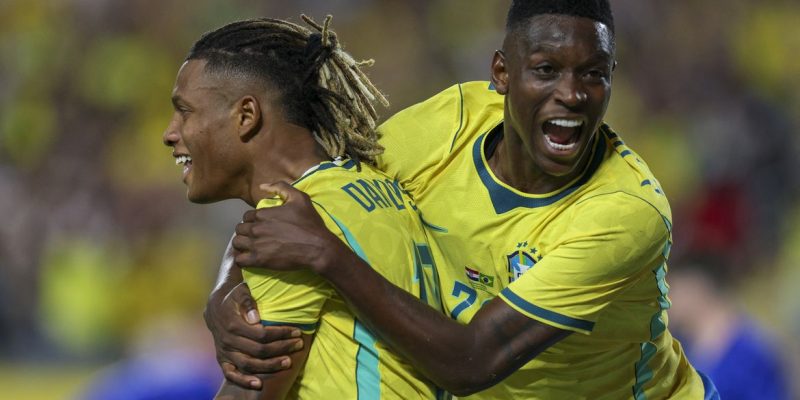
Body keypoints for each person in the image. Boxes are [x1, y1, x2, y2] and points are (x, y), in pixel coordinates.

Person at [209, 1, 720, 398]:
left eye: (594, 73)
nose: (572, 93)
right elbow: (308, 192)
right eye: (545, 70)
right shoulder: (446, 126)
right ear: (501, 73)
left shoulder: (625, 212)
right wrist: (225, 291)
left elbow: (471, 362)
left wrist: (329, 256)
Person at [163, 15, 443, 399]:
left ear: (246, 116)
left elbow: (247, 394)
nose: (170, 133)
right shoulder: (376, 187)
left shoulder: (290, 231)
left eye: (185, 111)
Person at [668, 253, 792, 400]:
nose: (666, 302)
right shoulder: (682, 348)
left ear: (697, 289)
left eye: (671, 291)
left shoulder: (752, 353)